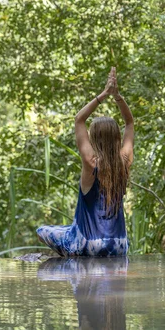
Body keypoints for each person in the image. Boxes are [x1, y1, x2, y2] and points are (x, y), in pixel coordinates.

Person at [36, 67, 134, 257]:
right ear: (116, 138)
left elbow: (79, 119)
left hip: (88, 245)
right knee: (67, 228)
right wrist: (117, 96)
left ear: (93, 138)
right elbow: (129, 123)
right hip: (119, 244)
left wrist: (104, 94)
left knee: (43, 230)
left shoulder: (91, 163)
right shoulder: (124, 163)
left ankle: (74, 261)